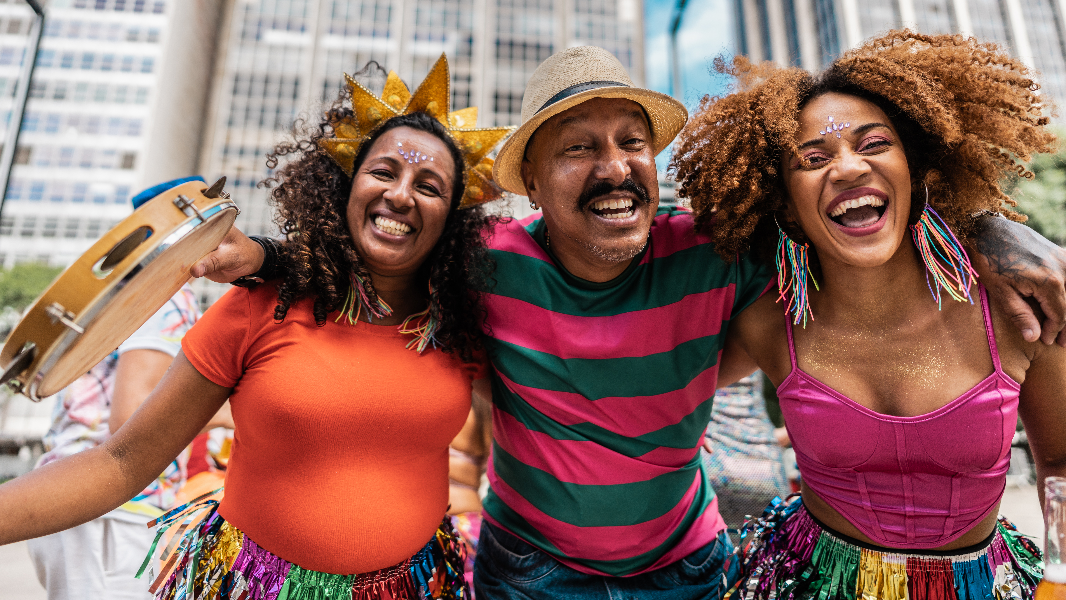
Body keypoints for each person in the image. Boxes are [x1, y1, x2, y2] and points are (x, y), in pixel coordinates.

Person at [192, 46, 1066, 599]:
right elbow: (375, 245)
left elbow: (850, 210)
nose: (614, 167)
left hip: (691, 570)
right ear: (532, 182)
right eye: (578, 148)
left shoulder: (719, 253)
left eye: (631, 142)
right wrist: (269, 256)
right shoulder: (485, 261)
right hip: (527, 576)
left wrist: (993, 225)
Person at [0, 55, 512, 600]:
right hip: (255, 588)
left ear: (453, 219)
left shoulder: (464, 328)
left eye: (429, 185)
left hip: (414, 588)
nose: (401, 194)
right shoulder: (257, 307)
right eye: (383, 172)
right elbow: (120, 463)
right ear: (345, 188)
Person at [670, 31, 1066, 598]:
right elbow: (658, 396)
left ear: (919, 168)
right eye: (812, 158)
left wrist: (1060, 574)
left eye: (875, 144)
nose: (849, 168)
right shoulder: (766, 324)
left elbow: (1060, 462)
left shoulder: (1019, 307)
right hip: (801, 581)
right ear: (782, 199)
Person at [25, 180, 233, 600]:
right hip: (110, 511)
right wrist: (229, 412)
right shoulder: (166, 296)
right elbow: (131, 415)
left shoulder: (125, 292)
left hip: (79, 504)